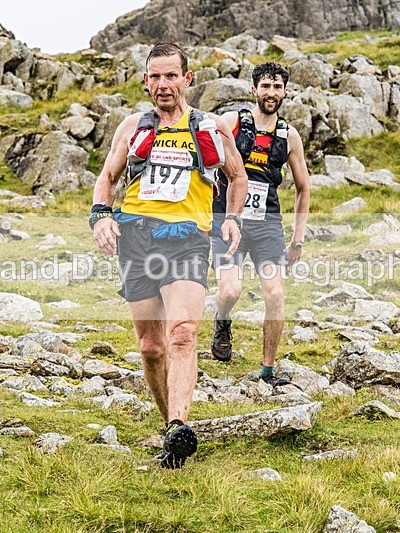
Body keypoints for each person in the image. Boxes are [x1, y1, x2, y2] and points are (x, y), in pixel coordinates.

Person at [90, 42, 248, 469]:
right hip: (137, 239)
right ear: (146, 81)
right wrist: (101, 217)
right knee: (150, 347)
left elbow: (238, 177)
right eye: (155, 77)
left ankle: (180, 423)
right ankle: (170, 430)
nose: (163, 85)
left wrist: (231, 219)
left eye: (171, 76)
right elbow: (107, 177)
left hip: (188, 239)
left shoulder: (211, 128)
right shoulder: (132, 126)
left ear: (187, 79)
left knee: (182, 333)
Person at [209, 62, 310, 388]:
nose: (271, 93)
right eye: (265, 86)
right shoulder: (233, 121)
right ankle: (222, 323)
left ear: (285, 92)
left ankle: (267, 370)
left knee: (275, 294)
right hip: (228, 221)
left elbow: (303, 187)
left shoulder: (289, 135)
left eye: (277, 87)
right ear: (255, 90)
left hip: (267, 224)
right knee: (231, 290)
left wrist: (297, 239)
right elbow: (206, 161)